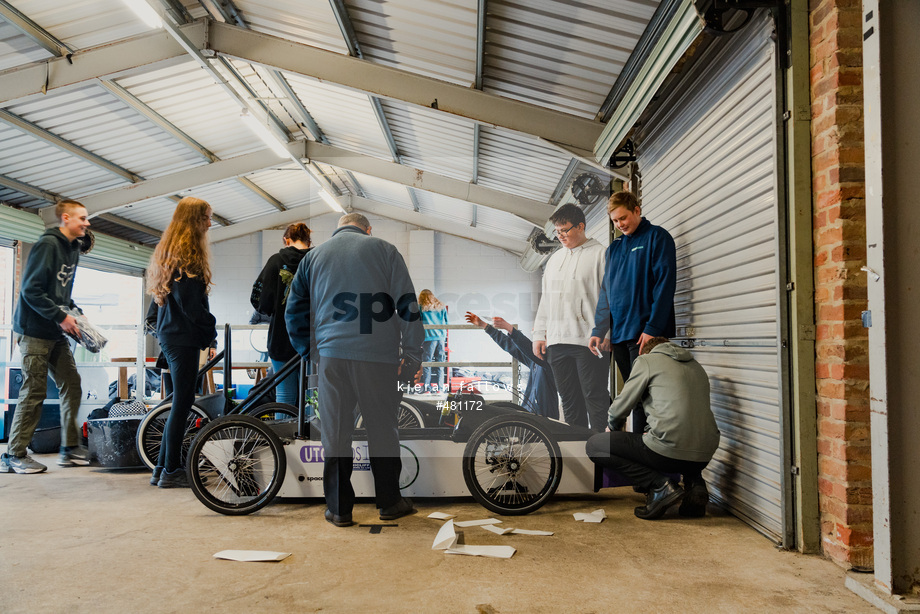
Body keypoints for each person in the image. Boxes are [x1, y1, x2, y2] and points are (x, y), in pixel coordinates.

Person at [285, 213, 424, 527]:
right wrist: (413, 355)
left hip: (331, 360)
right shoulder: (385, 250)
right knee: (382, 430)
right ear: (368, 230)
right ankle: (389, 502)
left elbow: (293, 312)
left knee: (334, 434)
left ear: (337, 230)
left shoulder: (312, 258)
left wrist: (313, 352)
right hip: (379, 359)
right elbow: (407, 305)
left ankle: (339, 509)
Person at [585, 337, 720, 520]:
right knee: (683, 440)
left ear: (643, 350)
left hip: (668, 451)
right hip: (705, 453)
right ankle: (695, 485)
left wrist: (612, 427)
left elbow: (622, 404)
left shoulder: (646, 360)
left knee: (595, 445)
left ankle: (660, 486)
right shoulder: (696, 366)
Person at [1, 200, 90, 474]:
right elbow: (31, 290)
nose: (87, 223)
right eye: (82, 218)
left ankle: (70, 449)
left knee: (71, 384)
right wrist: (61, 316)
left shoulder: (73, 248)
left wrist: (75, 314)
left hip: (55, 330)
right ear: (66, 218)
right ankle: (13, 455)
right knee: (34, 390)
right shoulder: (48, 245)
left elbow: (60, 290)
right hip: (34, 331)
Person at [590, 190, 676, 435]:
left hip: (646, 335)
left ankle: (653, 456)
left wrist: (653, 329)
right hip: (620, 335)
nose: (620, 225)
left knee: (649, 397)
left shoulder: (657, 237)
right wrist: (599, 329)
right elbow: (606, 291)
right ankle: (639, 454)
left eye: (623, 218)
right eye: (615, 221)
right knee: (633, 395)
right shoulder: (614, 249)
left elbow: (665, 285)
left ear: (637, 210)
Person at [145, 197, 217, 488]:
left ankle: (161, 468)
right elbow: (192, 307)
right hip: (182, 337)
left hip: (172, 336)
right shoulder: (188, 257)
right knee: (182, 403)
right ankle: (171, 469)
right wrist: (211, 328)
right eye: (207, 217)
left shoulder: (170, 253)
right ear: (195, 220)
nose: (210, 223)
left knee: (179, 402)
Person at [532, 203, 609, 432]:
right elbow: (546, 299)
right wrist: (538, 334)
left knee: (595, 398)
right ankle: (580, 455)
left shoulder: (601, 254)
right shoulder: (554, 260)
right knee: (568, 401)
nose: (561, 236)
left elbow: (609, 297)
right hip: (557, 342)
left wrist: (606, 333)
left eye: (565, 230)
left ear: (581, 226)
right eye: (557, 231)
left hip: (589, 340)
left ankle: (600, 457)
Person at [250, 222, 312, 406]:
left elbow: (260, 301)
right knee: (311, 397)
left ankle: (284, 434)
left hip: (281, 337)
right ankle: (311, 435)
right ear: (308, 241)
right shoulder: (317, 259)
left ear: (286, 240)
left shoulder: (275, 261)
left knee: (285, 395)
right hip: (313, 339)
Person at [465, 312, 559, 418]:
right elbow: (509, 345)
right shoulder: (534, 361)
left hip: (545, 417)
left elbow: (528, 347)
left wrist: (509, 328)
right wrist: (486, 326)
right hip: (531, 413)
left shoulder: (549, 360)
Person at [418, 289, 448, 393]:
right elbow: (447, 322)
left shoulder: (421, 307)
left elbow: (418, 323)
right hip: (440, 338)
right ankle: (440, 389)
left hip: (429, 338)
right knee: (440, 363)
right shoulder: (441, 307)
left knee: (427, 363)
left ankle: (427, 388)